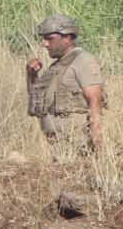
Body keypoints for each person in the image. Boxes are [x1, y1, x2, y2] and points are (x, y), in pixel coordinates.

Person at [26, 14, 104, 154]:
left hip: (77, 146)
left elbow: (95, 100)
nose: (45, 43)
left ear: (67, 38)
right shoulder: (57, 66)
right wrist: (31, 74)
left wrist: (97, 143)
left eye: (50, 38)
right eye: (44, 39)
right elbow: (36, 99)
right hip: (58, 146)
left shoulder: (83, 61)